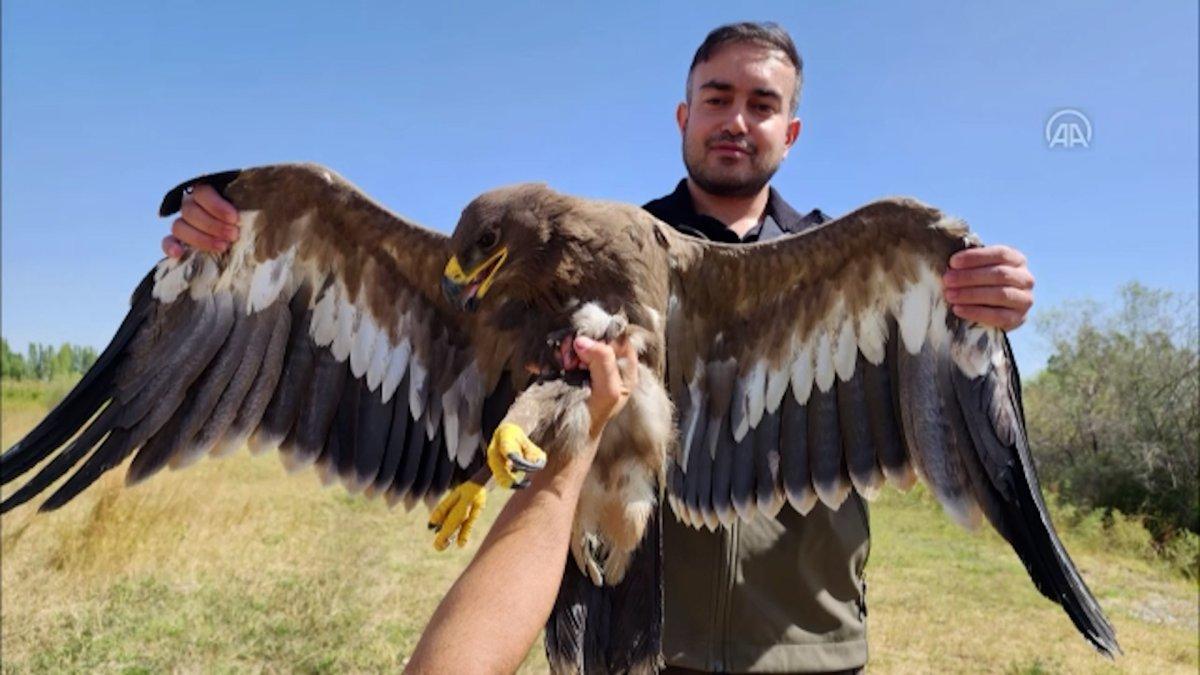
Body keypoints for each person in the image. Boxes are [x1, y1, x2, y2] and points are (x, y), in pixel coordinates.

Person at [161, 21, 1034, 674]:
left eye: (762, 104)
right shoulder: (586, 255)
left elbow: (950, 413)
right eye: (719, 99)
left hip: (803, 645)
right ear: (685, 114)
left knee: (925, 236)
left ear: (789, 131)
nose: (737, 120)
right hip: (643, 632)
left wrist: (979, 314)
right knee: (301, 205)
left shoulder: (864, 262)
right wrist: (230, 242)